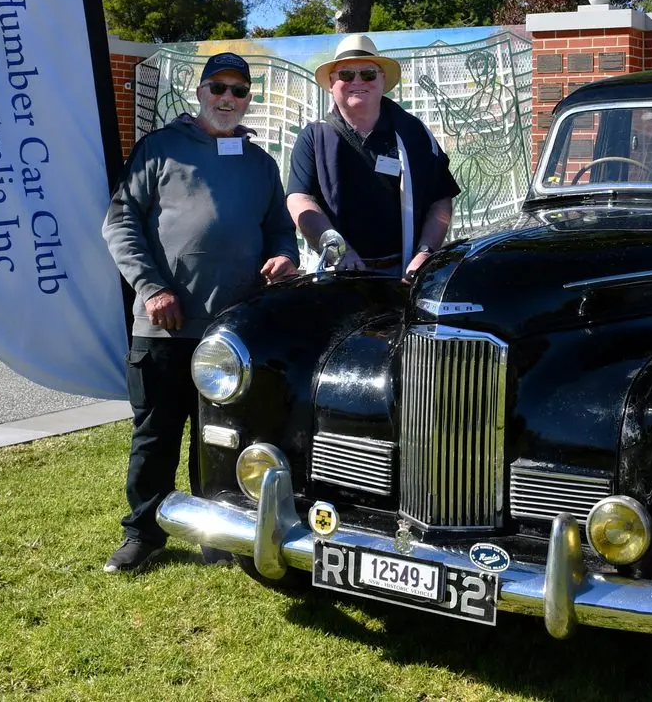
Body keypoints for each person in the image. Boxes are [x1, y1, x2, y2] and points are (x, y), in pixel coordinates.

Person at [101, 50, 299, 573]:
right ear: (200, 92)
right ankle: (144, 534)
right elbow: (120, 224)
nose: (228, 99)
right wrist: (151, 288)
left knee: (224, 437)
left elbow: (279, 228)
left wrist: (285, 256)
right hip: (165, 324)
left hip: (232, 336)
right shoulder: (160, 149)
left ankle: (218, 530)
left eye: (239, 90)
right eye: (219, 88)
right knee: (156, 434)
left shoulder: (260, 164)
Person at [287, 33, 460, 280]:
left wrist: (425, 252)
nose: (358, 81)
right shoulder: (313, 137)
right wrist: (335, 248)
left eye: (367, 74)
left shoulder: (414, 132)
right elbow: (298, 198)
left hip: (405, 275)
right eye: (346, 75)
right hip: (340, 273)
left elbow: (441, 198)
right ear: (332, 83)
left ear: (381, 80)